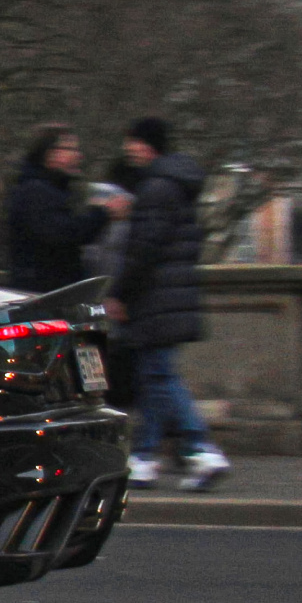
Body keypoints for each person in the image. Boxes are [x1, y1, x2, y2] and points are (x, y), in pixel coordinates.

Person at [112, 117, 229, 491]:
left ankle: (200, 448)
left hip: (155, 297)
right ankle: (144, 457)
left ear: (147, 145)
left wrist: (120, 292)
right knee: (154, 377)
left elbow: (144, 249)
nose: (128, 149)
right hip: (170, 294)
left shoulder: (157, 188)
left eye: (132, 142)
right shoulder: (175, 185)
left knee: (160, 376)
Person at [5, 123, 126, 292]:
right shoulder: (35, 192)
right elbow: (64, 233)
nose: (79, 156)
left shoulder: (46, 190)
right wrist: (103, 212)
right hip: (42, 296)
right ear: (50, 153)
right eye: (71, 149)